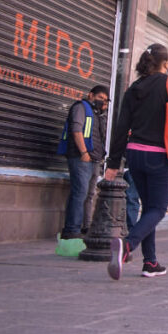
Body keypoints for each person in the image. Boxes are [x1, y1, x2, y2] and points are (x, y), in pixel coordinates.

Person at [105, 43, 168, 280]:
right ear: (166, 63)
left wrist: (113, 163)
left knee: (148, 207)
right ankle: (127, 246)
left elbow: (121, 127)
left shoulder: (133, 88)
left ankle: (150, 262)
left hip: (134, 154)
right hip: (158, 154)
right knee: (158, 209)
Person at [58, 85, 109, 240]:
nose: (102, 102)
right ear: (91, 95)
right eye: (100, 98)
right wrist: (83, 152)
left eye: (106, 100)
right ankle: (71, 229)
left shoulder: (97, 114)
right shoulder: (81, 107)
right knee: (80, 192)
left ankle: (86, 227)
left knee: (89, 194)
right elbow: (76, 130)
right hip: (81, 157)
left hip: (94, 159)